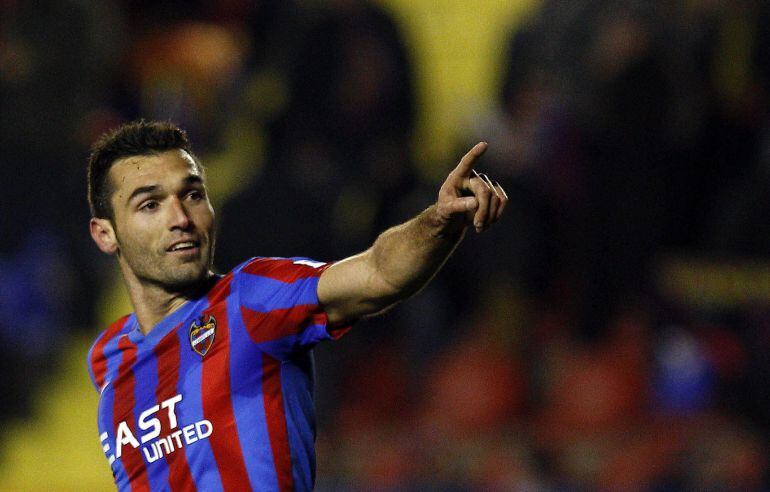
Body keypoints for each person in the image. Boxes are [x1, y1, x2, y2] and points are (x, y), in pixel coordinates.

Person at [86, 120, 508, 491]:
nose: (180, 216)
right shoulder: (108, 359)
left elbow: (379, 273)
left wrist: (438, 220)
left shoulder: (252, 299)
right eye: (150, 204)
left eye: (193, 194)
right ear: (105, 234)